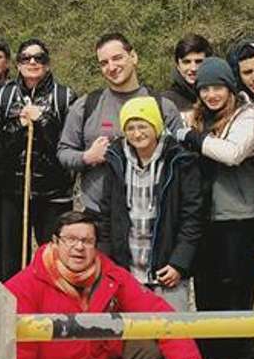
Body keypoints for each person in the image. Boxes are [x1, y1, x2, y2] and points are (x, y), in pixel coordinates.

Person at [0, 211, 204, 359]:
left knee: (155, 351)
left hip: (103, 356)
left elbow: (157, 310)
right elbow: (19, 353)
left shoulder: (108, 272)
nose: (79, 247)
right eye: (71, 239)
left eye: (87, 241)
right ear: (55, 242)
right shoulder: (25, 286)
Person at [175, 56, 254, 359]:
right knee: (208, 292)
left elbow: (232, 153)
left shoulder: (248, 116)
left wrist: (191, 137)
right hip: (207, 219)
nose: (212, 94)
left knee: (236, 294)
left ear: (230, 87)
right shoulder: (201, 118)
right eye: (205, 88)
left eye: (218, 87)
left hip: (239, 218)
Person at [98, 97, 205, 311]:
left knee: (172, 334)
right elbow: (106, 215)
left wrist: (179, 263)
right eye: (130, 128)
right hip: (127, 268)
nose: (137, 134)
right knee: (132, 337)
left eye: (143, 126)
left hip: (167, 267)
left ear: (156, 126)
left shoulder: (180, 161)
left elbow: (192, 217)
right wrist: (109, 265)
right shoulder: (116, 160)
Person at [58, 33, 182, 212]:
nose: (111, 67)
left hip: (151, 213)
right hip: (99, 213)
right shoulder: (86, 106)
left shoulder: (163, 106)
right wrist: (87, 157)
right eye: (104, 63)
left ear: (133, 57)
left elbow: (181, 159)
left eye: (117, 58)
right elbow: (64, 151)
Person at [0, 38, 77, 280]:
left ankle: (53, 313)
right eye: (26, 58)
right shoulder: (4, 96)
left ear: (48, 64)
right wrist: (20, 125)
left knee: (54, 261)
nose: (32, 62)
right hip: (12, 192)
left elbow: (67, 144)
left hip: (54, 194)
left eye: (39, 58)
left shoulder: (65, 96)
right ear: (17, 64)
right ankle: (15, 311)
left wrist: (43, 121)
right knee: (10, 263)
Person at [162, 35, 212, 120]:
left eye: (199, 61)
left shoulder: (218, 96)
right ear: (178, 65)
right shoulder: (166, 101)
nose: (193, 68)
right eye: (187, 62)